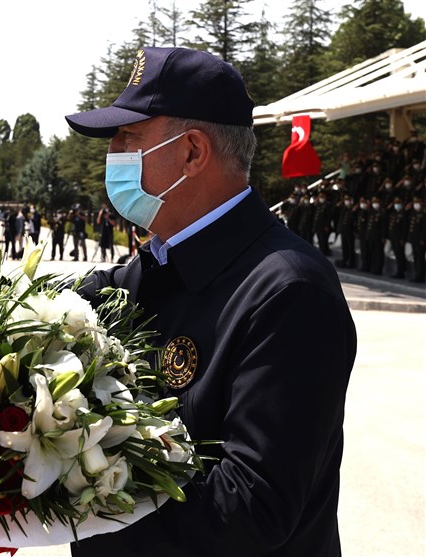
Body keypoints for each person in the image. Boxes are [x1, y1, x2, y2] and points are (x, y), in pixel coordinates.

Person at [64, 46, 356, 556]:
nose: (113, 153)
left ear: (193, 152)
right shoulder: (155, 263)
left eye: (128, 136)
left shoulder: (289, 292)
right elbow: (44, 308)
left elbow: (249, 508)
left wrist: (63, 490)